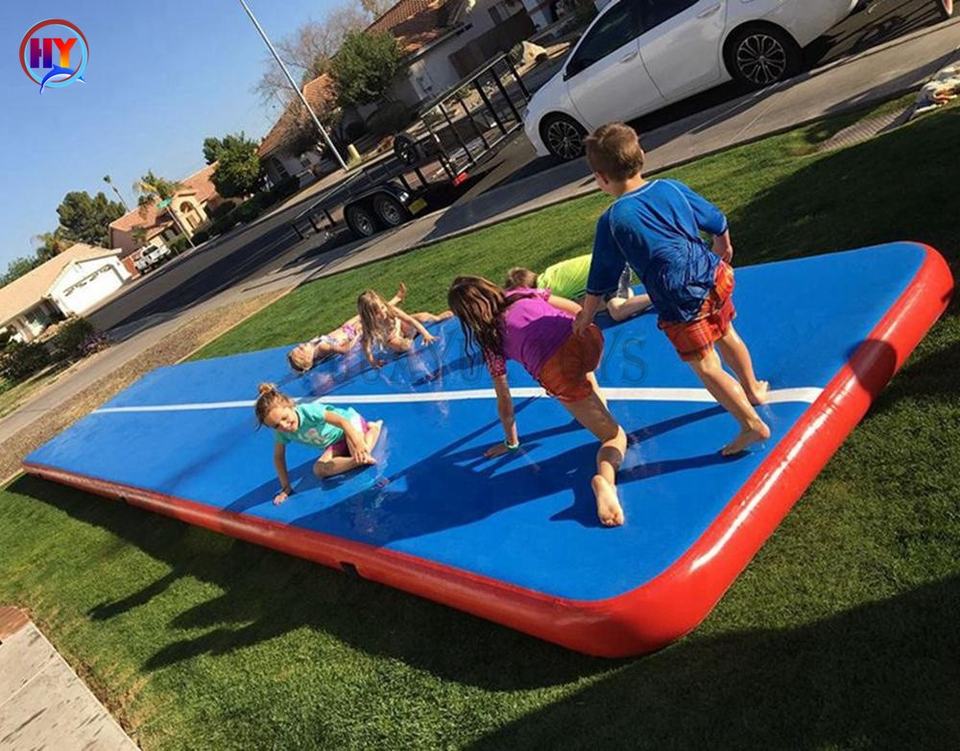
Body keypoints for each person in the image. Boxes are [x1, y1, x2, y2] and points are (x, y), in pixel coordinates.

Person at [574, 122, 769, 456]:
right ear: (641, 155)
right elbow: (715, 219)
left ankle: (751, 425)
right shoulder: (670, 188)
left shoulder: (613, 220)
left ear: (600, 178)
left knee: (706, 365)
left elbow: (601, 277)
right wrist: (723, 245)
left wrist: (586, 316)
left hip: (681, 302)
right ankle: (752, 389)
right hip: (715, 277)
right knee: (726, 332)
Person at [448, 276, 628, 527]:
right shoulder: (521, 292)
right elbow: (576, 309)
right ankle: (593, 396)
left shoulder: (491, 340)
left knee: (614, 436)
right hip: (588, 340)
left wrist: (511, 443)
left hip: (557, 372)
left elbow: (504, 399)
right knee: (578, 362)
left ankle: (605, 481)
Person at [254, 383, 383, 505]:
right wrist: (286, 487)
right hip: (336, 443)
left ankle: (374, 428)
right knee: (318, 470)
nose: (284, 425)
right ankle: (356, 460)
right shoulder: (281, 432)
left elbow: (342, 422)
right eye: (276, 425)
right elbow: (278, 457)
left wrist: (358, 443)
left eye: (284, 418)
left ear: (290, 405)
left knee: (362, 450)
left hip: (349, 426)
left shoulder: (309, 412)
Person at [287, 283, 408, 373]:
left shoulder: (314, 346)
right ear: (308, 357)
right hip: (350, 333)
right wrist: (357, 336)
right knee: (369, 314)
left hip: (346, 328)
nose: (301, 345)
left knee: (365, 314)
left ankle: (395, 301)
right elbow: (345, 350)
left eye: (298, 346)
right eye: (301, 349)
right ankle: (396, 300)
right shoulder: (323, 347)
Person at [505, 255, 651, 322]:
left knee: (616, 311)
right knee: (587, 306)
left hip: (614, 271)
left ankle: (655, 296)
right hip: (611, 266)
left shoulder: (547, 292)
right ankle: (620, 296)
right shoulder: (548, 276)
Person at [357, 288, 453, 368]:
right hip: (392, 338)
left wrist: (426, 334)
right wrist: (372, 362)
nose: (382, 313)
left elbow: (410, 320)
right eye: (377, 313)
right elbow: (366, 346)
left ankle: (437, 318)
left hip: (400, 325)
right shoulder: (369, 326)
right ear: (369, 316)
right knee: (406, 346)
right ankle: (410, 336)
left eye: (382, 307)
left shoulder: (390, 310)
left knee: (423, 316)